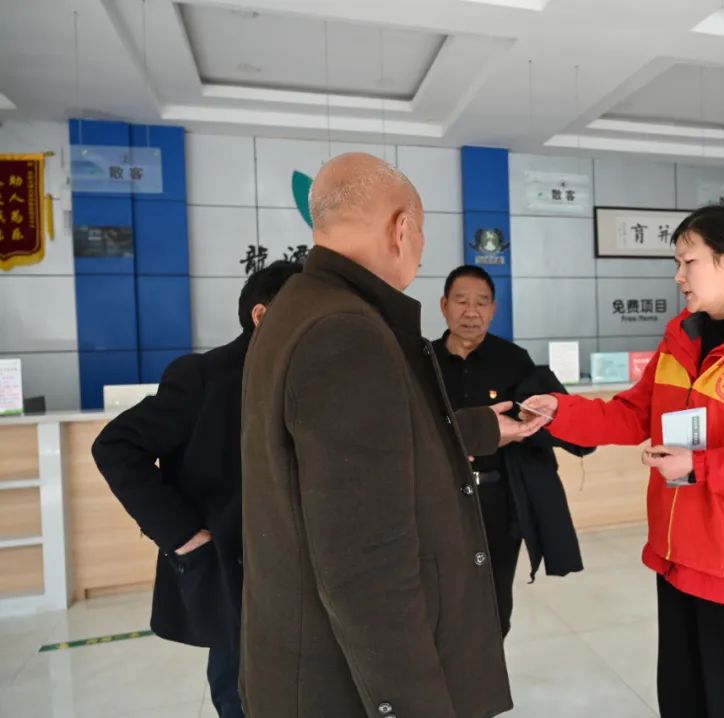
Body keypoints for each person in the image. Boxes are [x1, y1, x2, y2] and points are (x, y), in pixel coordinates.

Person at [240, 153, 546, 718]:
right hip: (343, 685)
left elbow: (383, 440)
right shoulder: (347, 332)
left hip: (302, 659)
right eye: (422, 232)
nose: (421, 248)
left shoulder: (299, 308)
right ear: (402, 228)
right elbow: (365, 561)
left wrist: (484, 427)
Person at [522, 205, 724, 718]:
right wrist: (559, 411)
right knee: (684, 703)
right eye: (677, 263)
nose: (678, 276)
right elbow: (630, 415)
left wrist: (700, 466)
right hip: (678, 563)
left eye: (689, 261)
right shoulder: (681, 339)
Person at [91, 260, 302, 718]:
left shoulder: (313, 379)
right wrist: (184, 535)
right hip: (234, 576)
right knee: (240, 694)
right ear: (262, 315)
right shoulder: (205, 376)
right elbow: (116, 446)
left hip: (302, 579)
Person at [433, 265, 593, 637]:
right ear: (444, 306)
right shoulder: (424, 360)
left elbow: (547, 420)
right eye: (461, 301)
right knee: (442, 596)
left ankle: (488, 671)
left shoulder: (513, 360)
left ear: (493, 309)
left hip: (498, 499)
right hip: (438, 497)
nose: (471, 311)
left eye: (481, 302)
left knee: (494, 599)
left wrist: (529, 427)